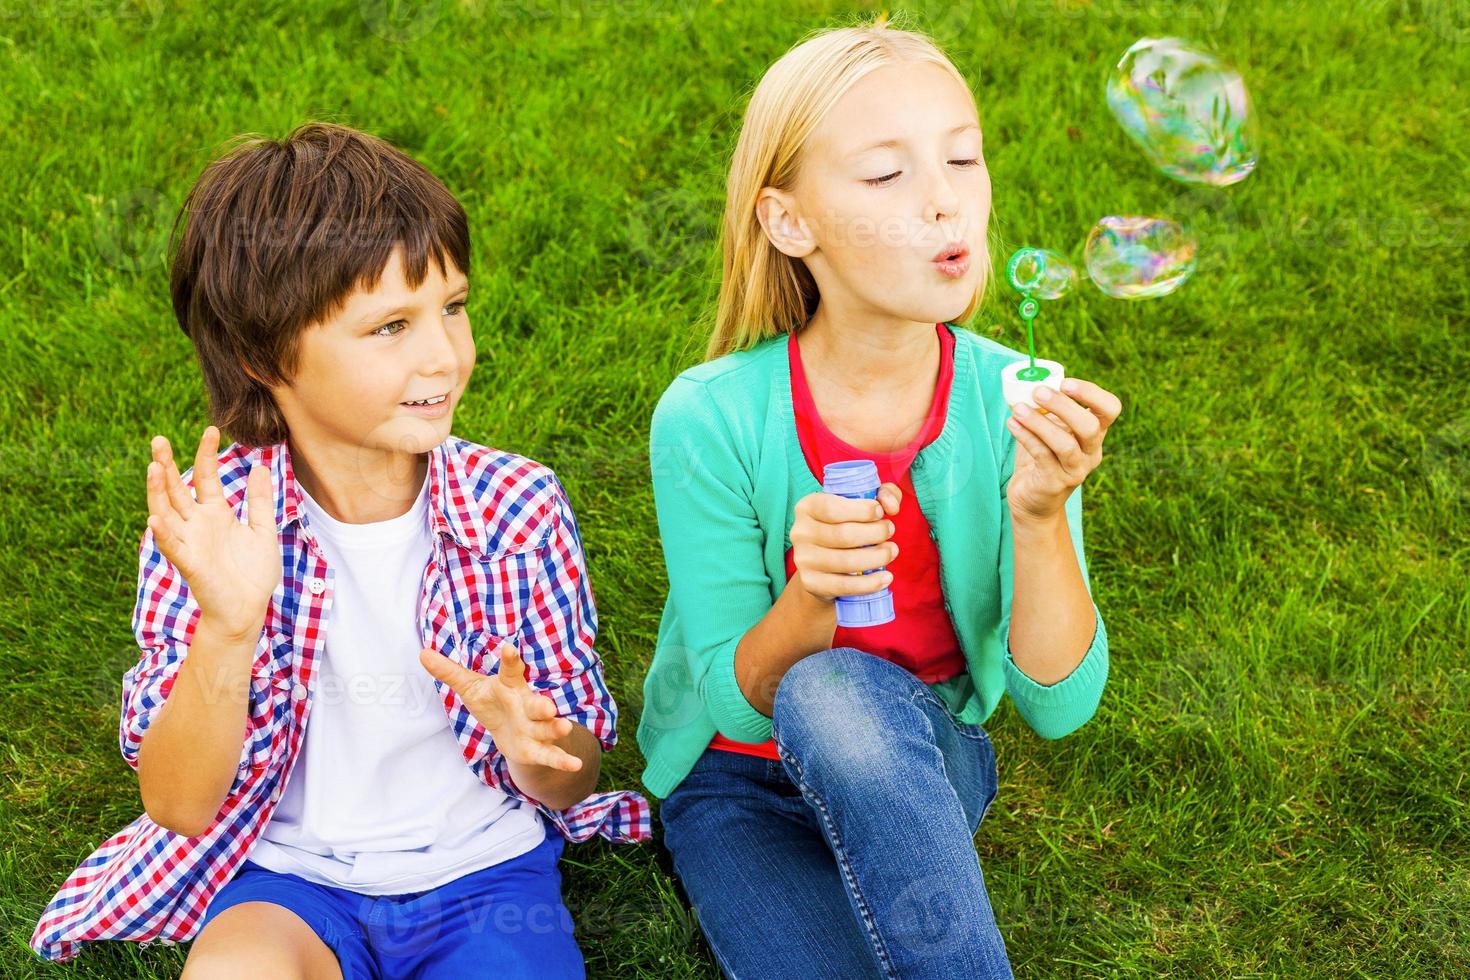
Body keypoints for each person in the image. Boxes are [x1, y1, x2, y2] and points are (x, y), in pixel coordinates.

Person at [30, 121, 650, 978]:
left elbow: (574, 775)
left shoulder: (518, 508)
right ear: (263, 357)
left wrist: (535, 749)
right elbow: (177, 802)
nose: (445, 353)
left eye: (453, 307)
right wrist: (227, 624)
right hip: (286, 883)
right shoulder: (214, 531)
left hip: (483, 874)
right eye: (390, 327)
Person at [639, 16, 1122, 979]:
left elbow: (1059, 703)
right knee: (818, 687)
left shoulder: (1015, 397)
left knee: (845, 695)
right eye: (886, 174)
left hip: (923, 755)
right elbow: (740, 709)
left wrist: (1038, 515)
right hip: (740, 784)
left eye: (962, 158)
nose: (945, 202)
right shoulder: (710, 417)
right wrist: (810, 593)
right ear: (789, 222)